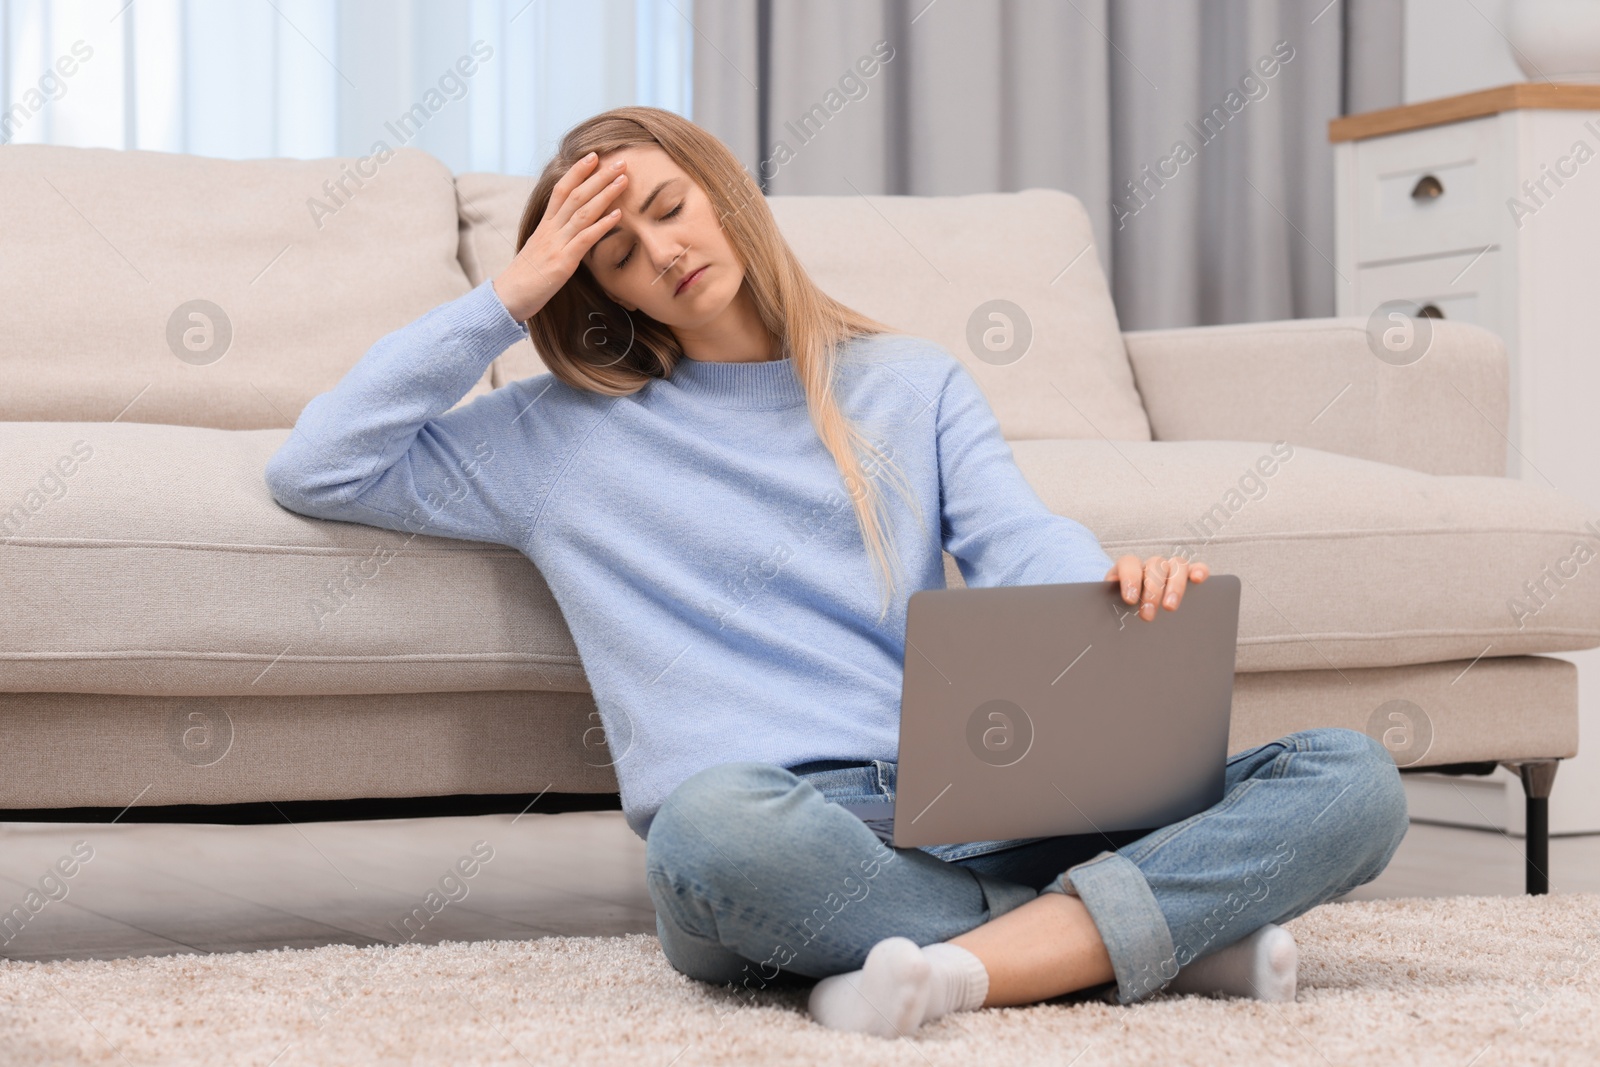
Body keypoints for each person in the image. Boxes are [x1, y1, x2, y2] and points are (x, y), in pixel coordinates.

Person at [264, 105, 1409, 1039]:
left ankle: (957, 966)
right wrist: (510, 295)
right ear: (595, 288)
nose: (661, 252)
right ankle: (1148, 937)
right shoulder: (549, 435)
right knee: (708, 831)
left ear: (724, 192)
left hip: (969, 805)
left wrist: (1109, 593)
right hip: (780, 835)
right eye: (614, 253)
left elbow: (1018, 536)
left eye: (669, 208)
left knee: (1351, 774)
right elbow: (321, 464)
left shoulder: (908, 384)